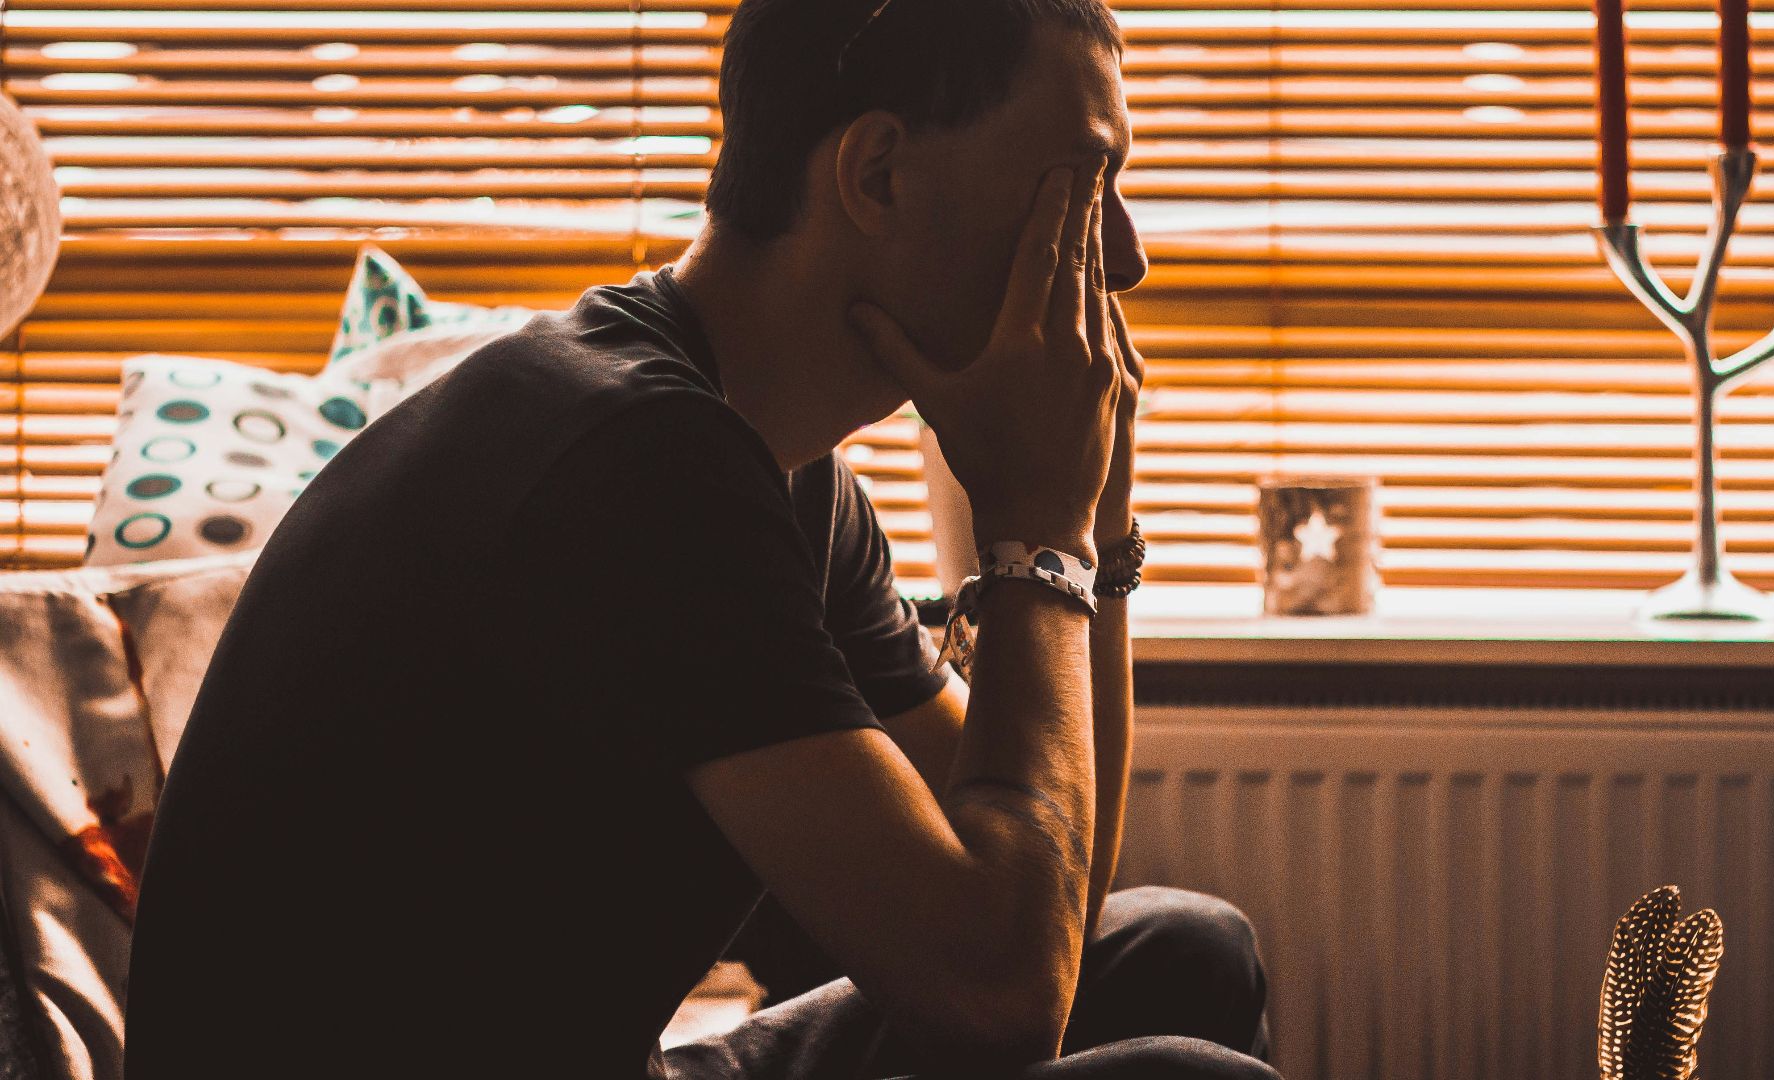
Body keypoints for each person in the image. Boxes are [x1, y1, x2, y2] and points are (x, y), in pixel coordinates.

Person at [123, 1, 1280, 1077]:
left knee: (1185, 948)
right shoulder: (633, 457)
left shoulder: (779, 471)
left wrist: (1094, 528)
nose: (1123, 257)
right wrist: (1037, 533)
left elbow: (1050, 912)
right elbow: (998, 989)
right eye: (1082, 186)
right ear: (876, 172)